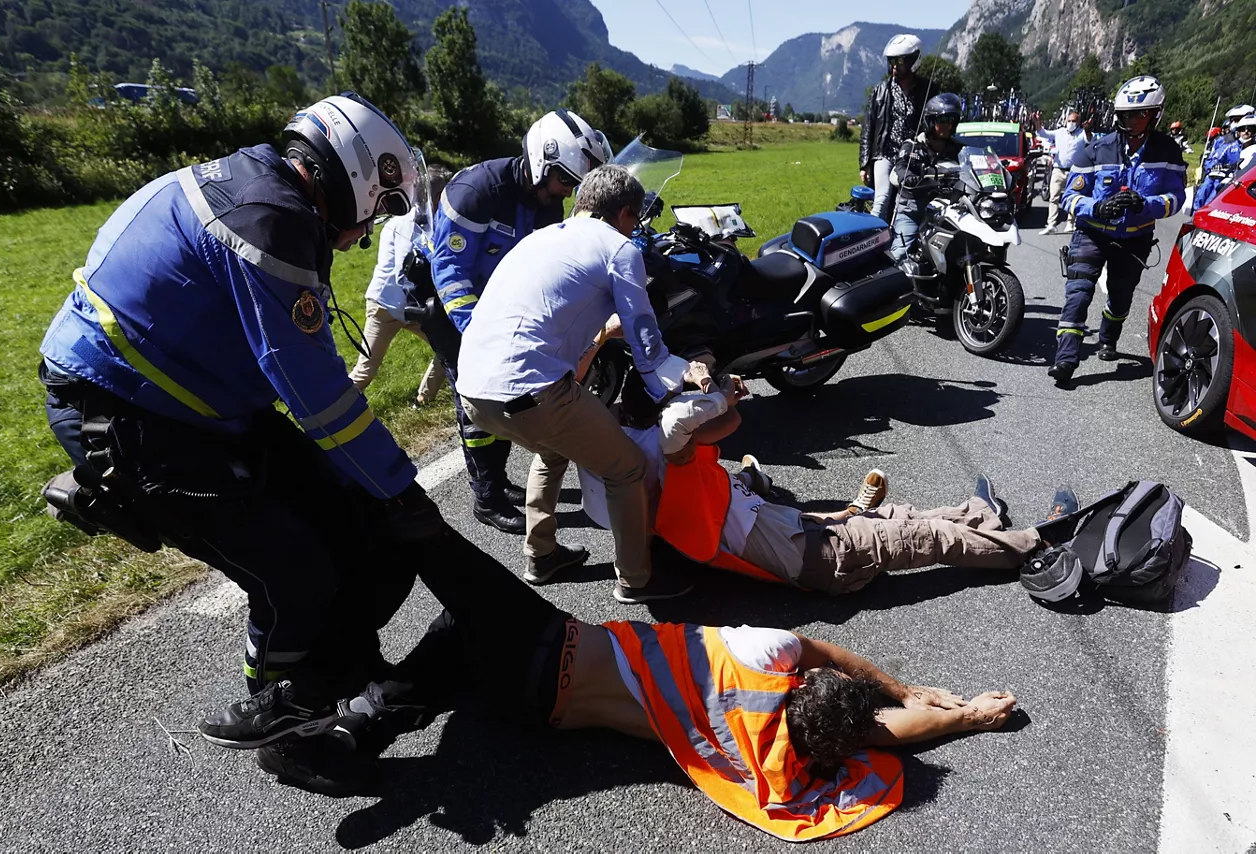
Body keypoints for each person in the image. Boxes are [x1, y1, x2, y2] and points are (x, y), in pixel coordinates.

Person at [38, 92, 451, 781]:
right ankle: (285, 733)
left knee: (352, 521)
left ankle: (330, 669)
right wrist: (401, 487)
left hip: (195, 401)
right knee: (293, 573)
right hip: (127, 413)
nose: (366, 232)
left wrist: (379, 492)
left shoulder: (259, 188)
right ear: (353, 174)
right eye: (377, 208)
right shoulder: (271, 220)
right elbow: (316, 393)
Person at [202, 523, 1019, 840]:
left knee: (429, 545)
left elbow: (831, 657)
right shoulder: (770, 760)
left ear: (799, 685)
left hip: (549, 650)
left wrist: (911, 689)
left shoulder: (765, 656)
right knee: (456, 640)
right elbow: (884, 737)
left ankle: (308, 679)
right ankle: (361, 726)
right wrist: (961, 720)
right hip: (533, 713)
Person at [455, 164, 706, 604]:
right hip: (530, 392)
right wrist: (671, 378)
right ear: (625, 213)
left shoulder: (542, 238)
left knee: (553, 447)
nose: (635, 229)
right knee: (627, 466)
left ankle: (541, 554)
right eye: (636, 219)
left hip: (473, 391)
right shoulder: (618, 247)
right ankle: (637, 579)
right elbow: (645, 333)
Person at [582, 371, 1065, 595]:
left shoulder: (640, 471)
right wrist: (716, 390)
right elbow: (681, 425)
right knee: (927, 538)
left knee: (898, 517)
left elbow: (705, 429)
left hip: (810, 538)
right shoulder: (668, 458)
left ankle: (978, 515)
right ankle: (1035, 543)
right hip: (824, 561)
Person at [425, 109, 612, 535]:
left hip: (496, 305)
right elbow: (450, 268)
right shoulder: (478, 191)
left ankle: (501, 479)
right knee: (473, 399)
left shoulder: (547, 202)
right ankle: (485, 496)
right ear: (542, 160)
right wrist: (476, 331)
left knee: (510, 395)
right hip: (449, 303)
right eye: (565, 180)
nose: (568, 191)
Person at [1049, 76, 1187, 384]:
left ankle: (1108, 337)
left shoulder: (1168, 152)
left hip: (1135, 239)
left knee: (1121, 297)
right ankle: (1066, 358)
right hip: (1091, 234)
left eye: (1140, 114)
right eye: (1126, 114)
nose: (1133, 120)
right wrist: (1096, 208)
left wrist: (1145, 205)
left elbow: (1176, 198)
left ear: (1155, 114)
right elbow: (1069, 196)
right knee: (1078, 294)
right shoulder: (1096, 149)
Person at [348, 166, 452, 403]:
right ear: (437, 197)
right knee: (366, 369)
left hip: (406, 306)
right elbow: (406, 272)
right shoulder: (413, 223)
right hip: (387, 306)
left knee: (449, 347)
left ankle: (423, 400)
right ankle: (335, 411)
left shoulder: (416, 219)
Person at [859, 33, 931, 223]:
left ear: (914, 61)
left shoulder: (928, 90)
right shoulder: (881, 90)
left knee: (908, 206)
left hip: (913, 157)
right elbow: (868, 127)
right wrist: (865, 163)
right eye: (892, 61)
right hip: (885, 154)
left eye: (900, 61)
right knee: (881, 200)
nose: (894, 66)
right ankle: (871, 239)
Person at [888, 92, 964, 261]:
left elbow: (973, 166)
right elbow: (899, 168)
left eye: (952, 120)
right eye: (943, 120)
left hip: (946, 211)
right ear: (930, 121)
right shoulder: (913, 146)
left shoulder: (959, 150)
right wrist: (908, 177)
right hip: (914, 211)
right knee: (900, 254)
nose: (948, 125)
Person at [1034, 109, 1092, 234]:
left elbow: (1089, 139)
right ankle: (1051, 224)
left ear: (1079, 122)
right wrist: (1037, 122)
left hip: (1075, 172)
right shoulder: (1060, 132)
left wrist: (1087, 129)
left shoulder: (1082, 133)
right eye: (1069, 121)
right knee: (1053, 197)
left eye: (1074, 121)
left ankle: (1071, 223)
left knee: (1073, 198)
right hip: (1058, 170)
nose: (1071, 123)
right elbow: (1042, 132)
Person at [1193, 113, 1250, 211]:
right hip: (1222, 177)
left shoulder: (1253, 150)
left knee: (1216, 195)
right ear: (1238, 131)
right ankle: (1196, 216)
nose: (1246, 132)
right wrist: (1214, 166)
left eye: (1250, 129)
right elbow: (1213, 159)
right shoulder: (1230, 146)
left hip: (1241, 181)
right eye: (1243, 129)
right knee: (1206, 187)